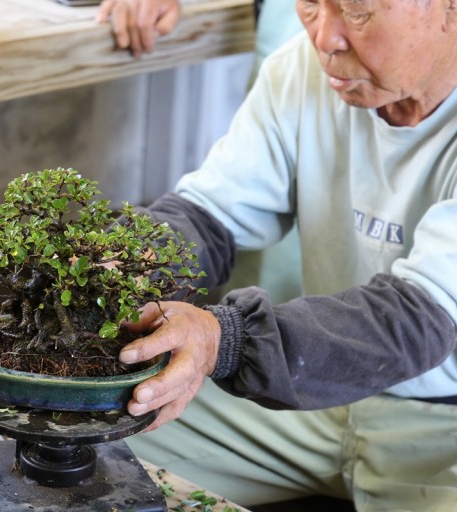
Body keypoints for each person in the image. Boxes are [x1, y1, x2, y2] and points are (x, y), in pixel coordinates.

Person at [101, 0, 457, 510]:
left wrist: (223, 339)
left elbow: (416, 319)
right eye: (310, 5)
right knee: (66, 435)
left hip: (442, 428)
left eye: (357, 11)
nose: (325, 38)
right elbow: (209, 214)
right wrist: (129, 263)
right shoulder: (299, 71)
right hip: (314, 404)